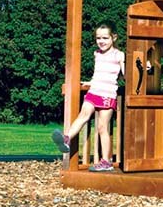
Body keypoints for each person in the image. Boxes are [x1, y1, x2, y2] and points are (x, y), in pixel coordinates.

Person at [52, 24, 125, 172]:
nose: (101, 41)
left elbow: (125, 74)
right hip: (94, 91)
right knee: (83, 115)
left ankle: (106, 162)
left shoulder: (119, 55)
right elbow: (99, 73)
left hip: (107, 94)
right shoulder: (96, 53)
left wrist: (143, 68)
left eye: (105, 38)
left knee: (102, 127)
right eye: (98, 38)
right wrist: (90, 82)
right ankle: (66, 139)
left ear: (114, 38)